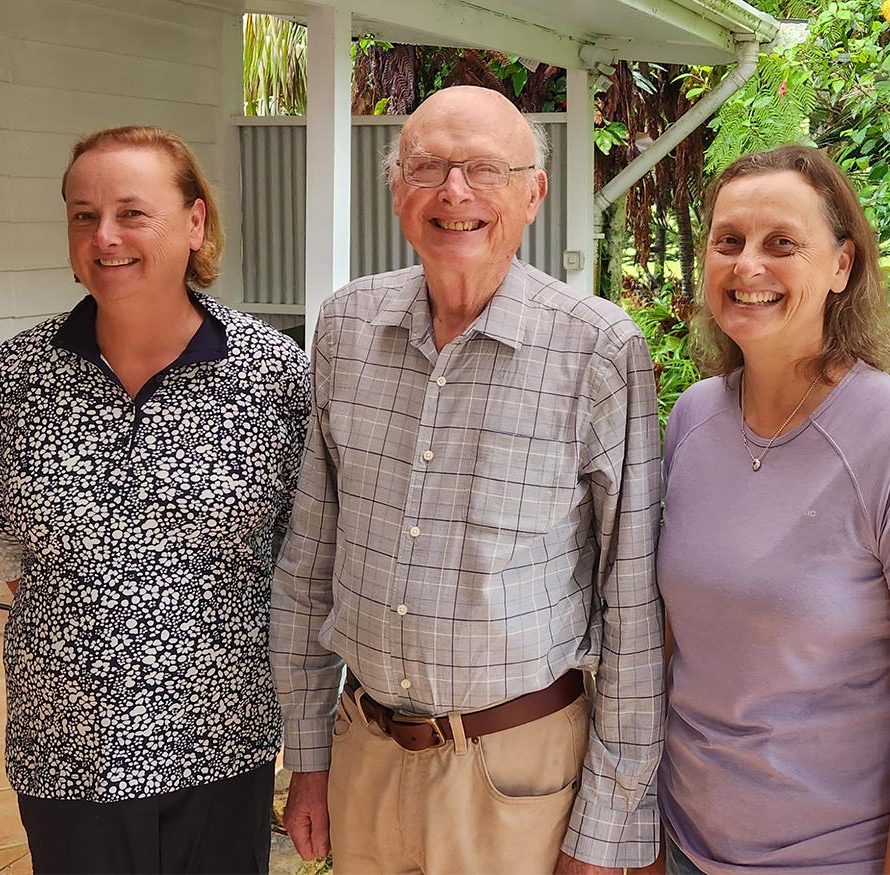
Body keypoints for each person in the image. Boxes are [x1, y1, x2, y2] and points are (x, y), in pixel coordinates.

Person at [270, 85, 665, 874]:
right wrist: (308, 759)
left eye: (484, 168)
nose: (454, 192)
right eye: (428, 167)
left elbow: (634, 599)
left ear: (532, 193)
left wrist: (608, 827)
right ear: (395, 189)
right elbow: (309, 557)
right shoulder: (346, 326)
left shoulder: (598, 349)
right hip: (368, 759)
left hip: (520, 779)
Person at [0, 125, 311, 874]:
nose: (105, 236)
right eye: (83, 214)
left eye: (133, 212)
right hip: (66, 742)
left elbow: (302, 556)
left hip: (220, 735)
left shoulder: (273, 375)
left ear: (196, 222)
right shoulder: (16, 374)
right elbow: (12, 550)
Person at [657, 145, 890, 875]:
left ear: (842, 266)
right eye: (728, 241)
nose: (748, 267)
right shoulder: (690, 421)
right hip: (691, 848)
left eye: (783, 244)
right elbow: (678, 656)